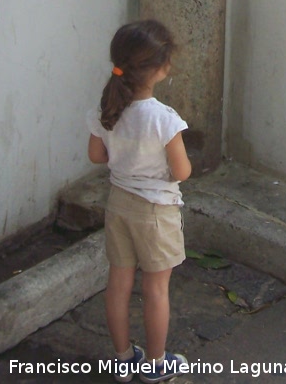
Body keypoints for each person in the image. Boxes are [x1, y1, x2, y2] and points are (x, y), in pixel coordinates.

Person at [86, 19, 192, 383]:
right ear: (161, 67)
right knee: (156, 288)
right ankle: (157, 363)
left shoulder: (106, 108)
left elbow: (97, 156)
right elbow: (182, 171)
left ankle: (123, 358)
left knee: (118, 283)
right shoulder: (164, 119)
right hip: (155, 212)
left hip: (118, 205)